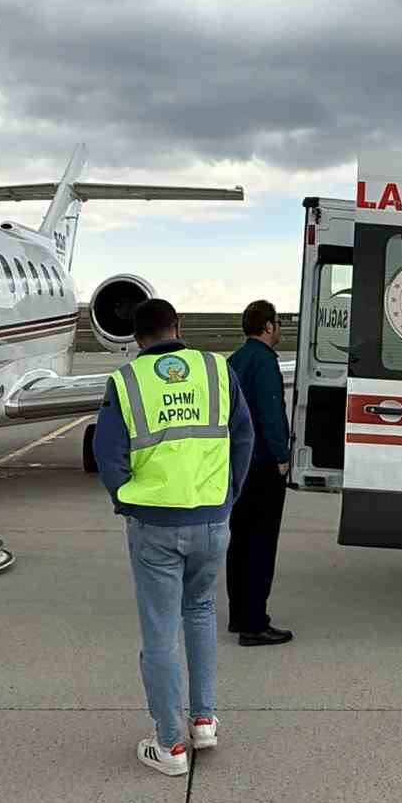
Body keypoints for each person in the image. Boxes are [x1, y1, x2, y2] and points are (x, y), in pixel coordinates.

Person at [93, 297, 255, 776]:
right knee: (200, 611)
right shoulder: (216, 369)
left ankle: (170, 745)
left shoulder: (126, 381)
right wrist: (227, 496)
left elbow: (108, 453)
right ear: (177, 327)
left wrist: (128, 501)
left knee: (160, 632)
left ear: (135, 336)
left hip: (155, 525)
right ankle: (203, 721)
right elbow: (243, 437)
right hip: (211, 519)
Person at [225, 299, 294, 647]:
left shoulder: (235, 360)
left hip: (238, 464)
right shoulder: (265, 361)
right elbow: (270, 411)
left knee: (239, 541)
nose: (279, 328)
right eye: (278, 322)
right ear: (267, 326)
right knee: (261, 544)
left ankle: (239, 614)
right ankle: (255, 623)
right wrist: (282, 455)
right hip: (263, 463)